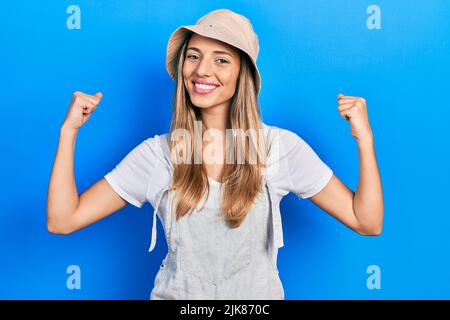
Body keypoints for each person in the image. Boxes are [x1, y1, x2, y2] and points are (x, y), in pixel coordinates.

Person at [46, 8, 383, 300]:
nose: (202, 70)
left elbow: (366, 221)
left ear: (243, 75)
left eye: (221, 59)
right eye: (193, 56)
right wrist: (68, 132)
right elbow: (63, 220)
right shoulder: (157, 154)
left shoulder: (279, 148)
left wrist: (364, 139)